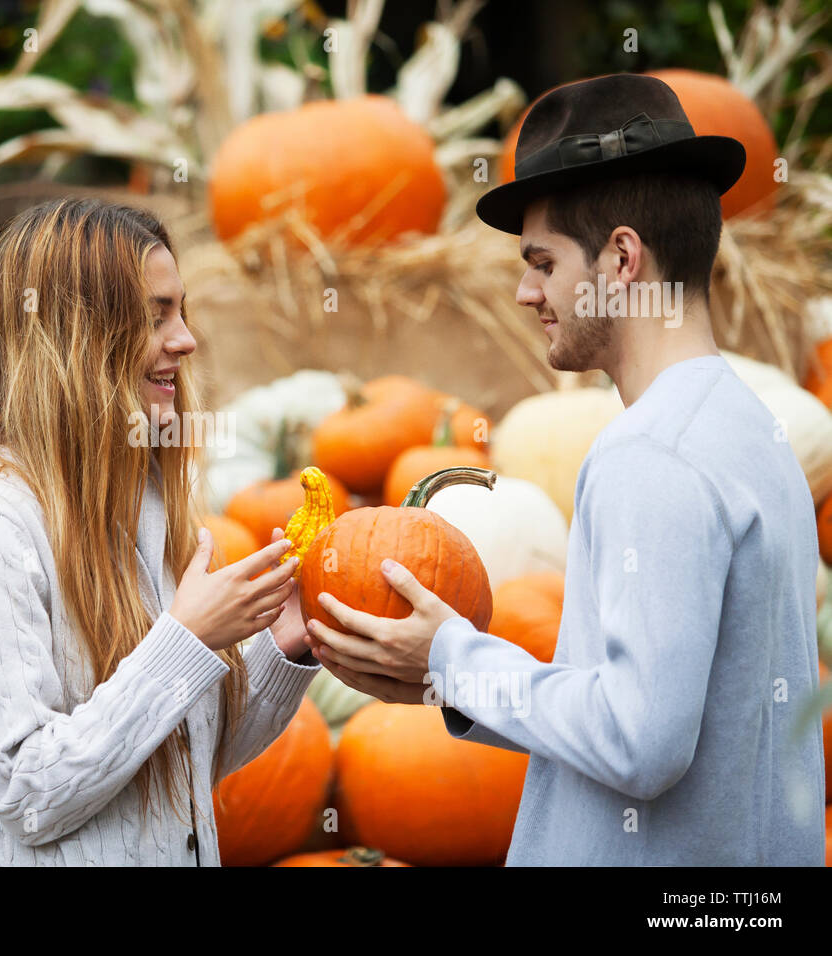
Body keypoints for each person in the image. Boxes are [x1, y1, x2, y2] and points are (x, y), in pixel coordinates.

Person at [306, 73, 826, 865]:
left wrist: (452, 657)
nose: (524, 292)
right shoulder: (752, 427)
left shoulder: (648, 453)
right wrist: (456, 679)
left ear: (622, 258)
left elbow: (641, 741)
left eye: (542, 263)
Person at [0, 197, 321, 866]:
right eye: (154, 316)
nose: (186, 340)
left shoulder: (144, 497)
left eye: (182, 311)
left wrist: (283, 646)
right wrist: (186, 639)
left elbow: (179, 758)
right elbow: (29, 790)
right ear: (70, 336)